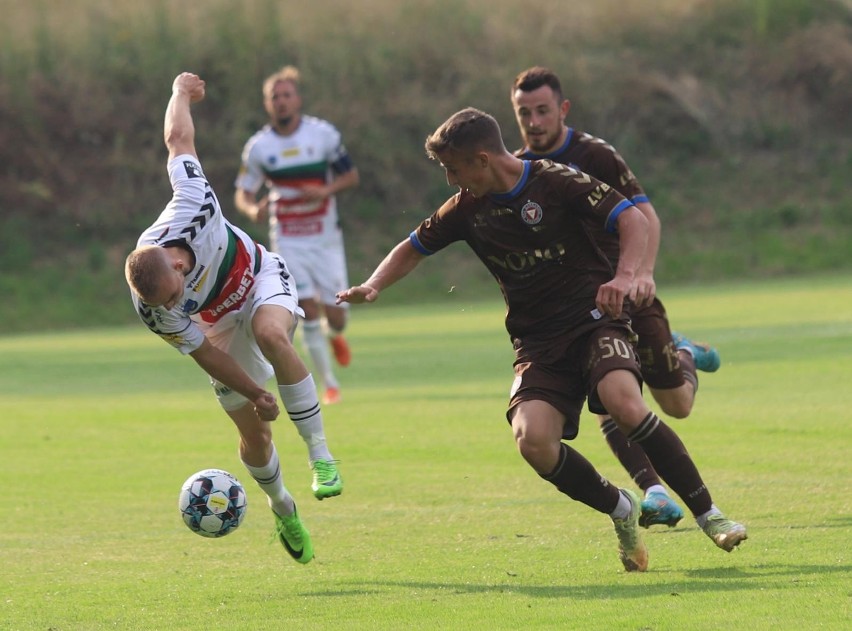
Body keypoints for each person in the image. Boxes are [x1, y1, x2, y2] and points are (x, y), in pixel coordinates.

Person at [337, 107, 747, 572]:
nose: (450, 180)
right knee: (532, 440)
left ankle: (710, 515)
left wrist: (626, 276)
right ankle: (621, 509)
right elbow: (412, 247)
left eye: (454, 168)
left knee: (625, 403)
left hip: (595, 321)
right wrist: (373, 285)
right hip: (537, 343)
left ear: (483, 159)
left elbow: (634, 219)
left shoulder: (557, 182)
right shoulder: (467, 208)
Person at [125, 72, 344, 566]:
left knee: (272, 332)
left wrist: (178, 91)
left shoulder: (193, 203)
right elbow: (202, 352)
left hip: (260, 276)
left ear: (178, 263)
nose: (169, 308)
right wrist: (255, 393)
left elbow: (177, 139)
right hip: (217, 328)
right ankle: (282, 506)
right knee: (254, 434)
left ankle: (321, 456)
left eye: (174, 295)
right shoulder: (151, 308)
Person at [510, 66, 722, 529]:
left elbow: (645, 216)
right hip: (580, 308)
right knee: (610, 393)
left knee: (676, 405)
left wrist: (642, 273)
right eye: (524, 113)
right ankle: (654, 490)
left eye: (543, 110)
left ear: (562, 109)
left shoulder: (595, 154)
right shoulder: (519, 170)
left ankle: (683, 351)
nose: (534, 121)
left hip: (627, 287)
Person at [235, 65, 360, 406]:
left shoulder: (322, 135)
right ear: (267, 104)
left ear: (298, 99)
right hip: (288, 239)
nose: (281, 102)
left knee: (336, 313)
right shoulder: (259, 147)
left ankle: (336, 334)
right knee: (306, 309)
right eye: (275, 97)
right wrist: (252, 210)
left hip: (324, 239)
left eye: (287, 95)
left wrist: (325, 190)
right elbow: (243, 193)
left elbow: (351, 176)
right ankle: (330, 383)